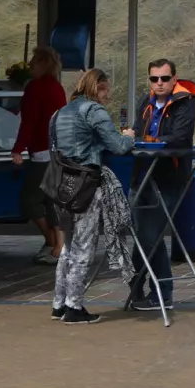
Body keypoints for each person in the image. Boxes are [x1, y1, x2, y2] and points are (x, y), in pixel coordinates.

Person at [50, 68, 137, 325]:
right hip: (85, 184)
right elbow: (118, 147)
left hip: (60, 183)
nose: (107, 96)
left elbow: (61, 146)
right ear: (97, 87)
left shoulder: (59, 113)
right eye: (106, 90)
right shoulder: (94, 111)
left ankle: (58, 303)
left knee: (68, 246)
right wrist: (129, 136)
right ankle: (74, 308)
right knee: (84, 248)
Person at [128, 57, 195, 311]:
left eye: (164, 78)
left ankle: (162, 292)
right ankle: (138, 286)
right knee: (140, 233)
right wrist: (132, 136)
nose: (159, 83)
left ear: (174, 79)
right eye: (154, 78)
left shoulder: (185, 104)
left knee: (152, 235)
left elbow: (180, 137)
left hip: (169, 177)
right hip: (142, 175)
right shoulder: (144, 102)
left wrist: (148, 140)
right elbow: (137, 130)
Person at [13, 46, 68, 264]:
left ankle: (53, 241)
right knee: (51, 200)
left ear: (44, 64)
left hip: (42, 154)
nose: (30, 65)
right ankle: (57, 246)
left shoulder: (35, 88)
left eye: (34, 61)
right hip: (58, 151)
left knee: (30, 200)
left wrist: (18, 148)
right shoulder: (57, 87)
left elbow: (29, 122)